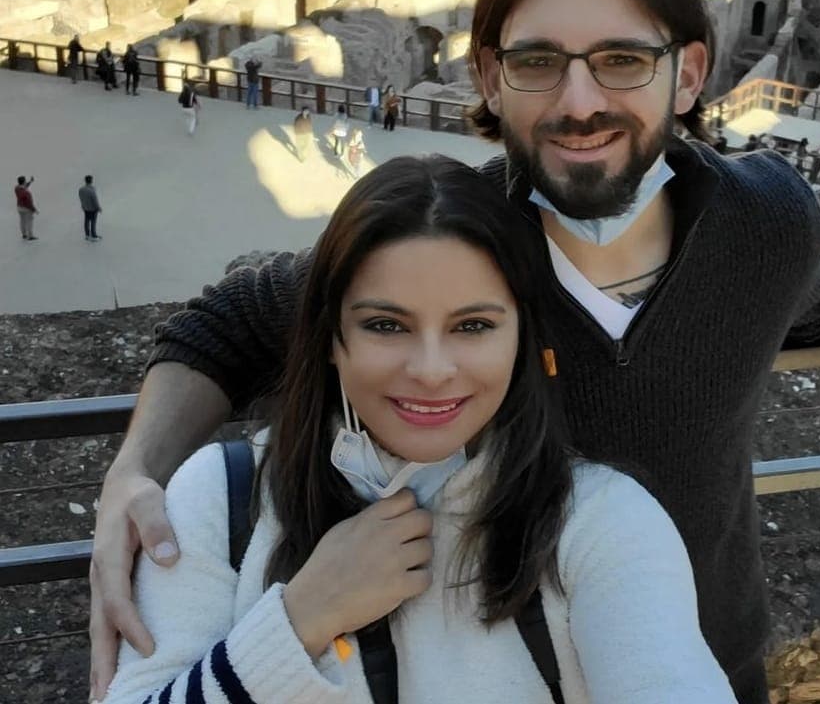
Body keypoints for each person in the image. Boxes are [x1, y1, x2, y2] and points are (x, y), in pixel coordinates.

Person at [89, 0, 820, 704]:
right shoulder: (449, 255)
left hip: (707, 653)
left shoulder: (763, 220)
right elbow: (227, 325)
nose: (579, 100)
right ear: (490, 78)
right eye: (540, 60)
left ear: (690, 72)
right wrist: (134, 475)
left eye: (622, 59)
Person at [101, 156, 730, 704]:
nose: (431, 371)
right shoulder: (222, 498)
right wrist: (298, 622)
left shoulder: (598, 523)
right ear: (329, 337)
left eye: (473, 326)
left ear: (522, 338)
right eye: (386, 325)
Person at [79, 174, 102, 241]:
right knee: (93, 222)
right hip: (93, 209)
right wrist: (98, 208)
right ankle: (93, 235)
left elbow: (81, 198)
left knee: (86, 221)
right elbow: (95, 200)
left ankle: (87, 235)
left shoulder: (81, 189)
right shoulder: (92, 190)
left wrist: (83, 205)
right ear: (91, 181)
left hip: (86, 208)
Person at [14, 175, 37, 240]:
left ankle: (24, 234)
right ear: (23, 182)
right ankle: (30, 236)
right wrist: (34, 209)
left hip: (19, 207)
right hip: (26, 209)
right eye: (25, 181)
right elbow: (28, 203)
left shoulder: (16, 188)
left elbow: (25, 186)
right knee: (29, 222)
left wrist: (30, 181)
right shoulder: (26, 193)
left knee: (22, 221)